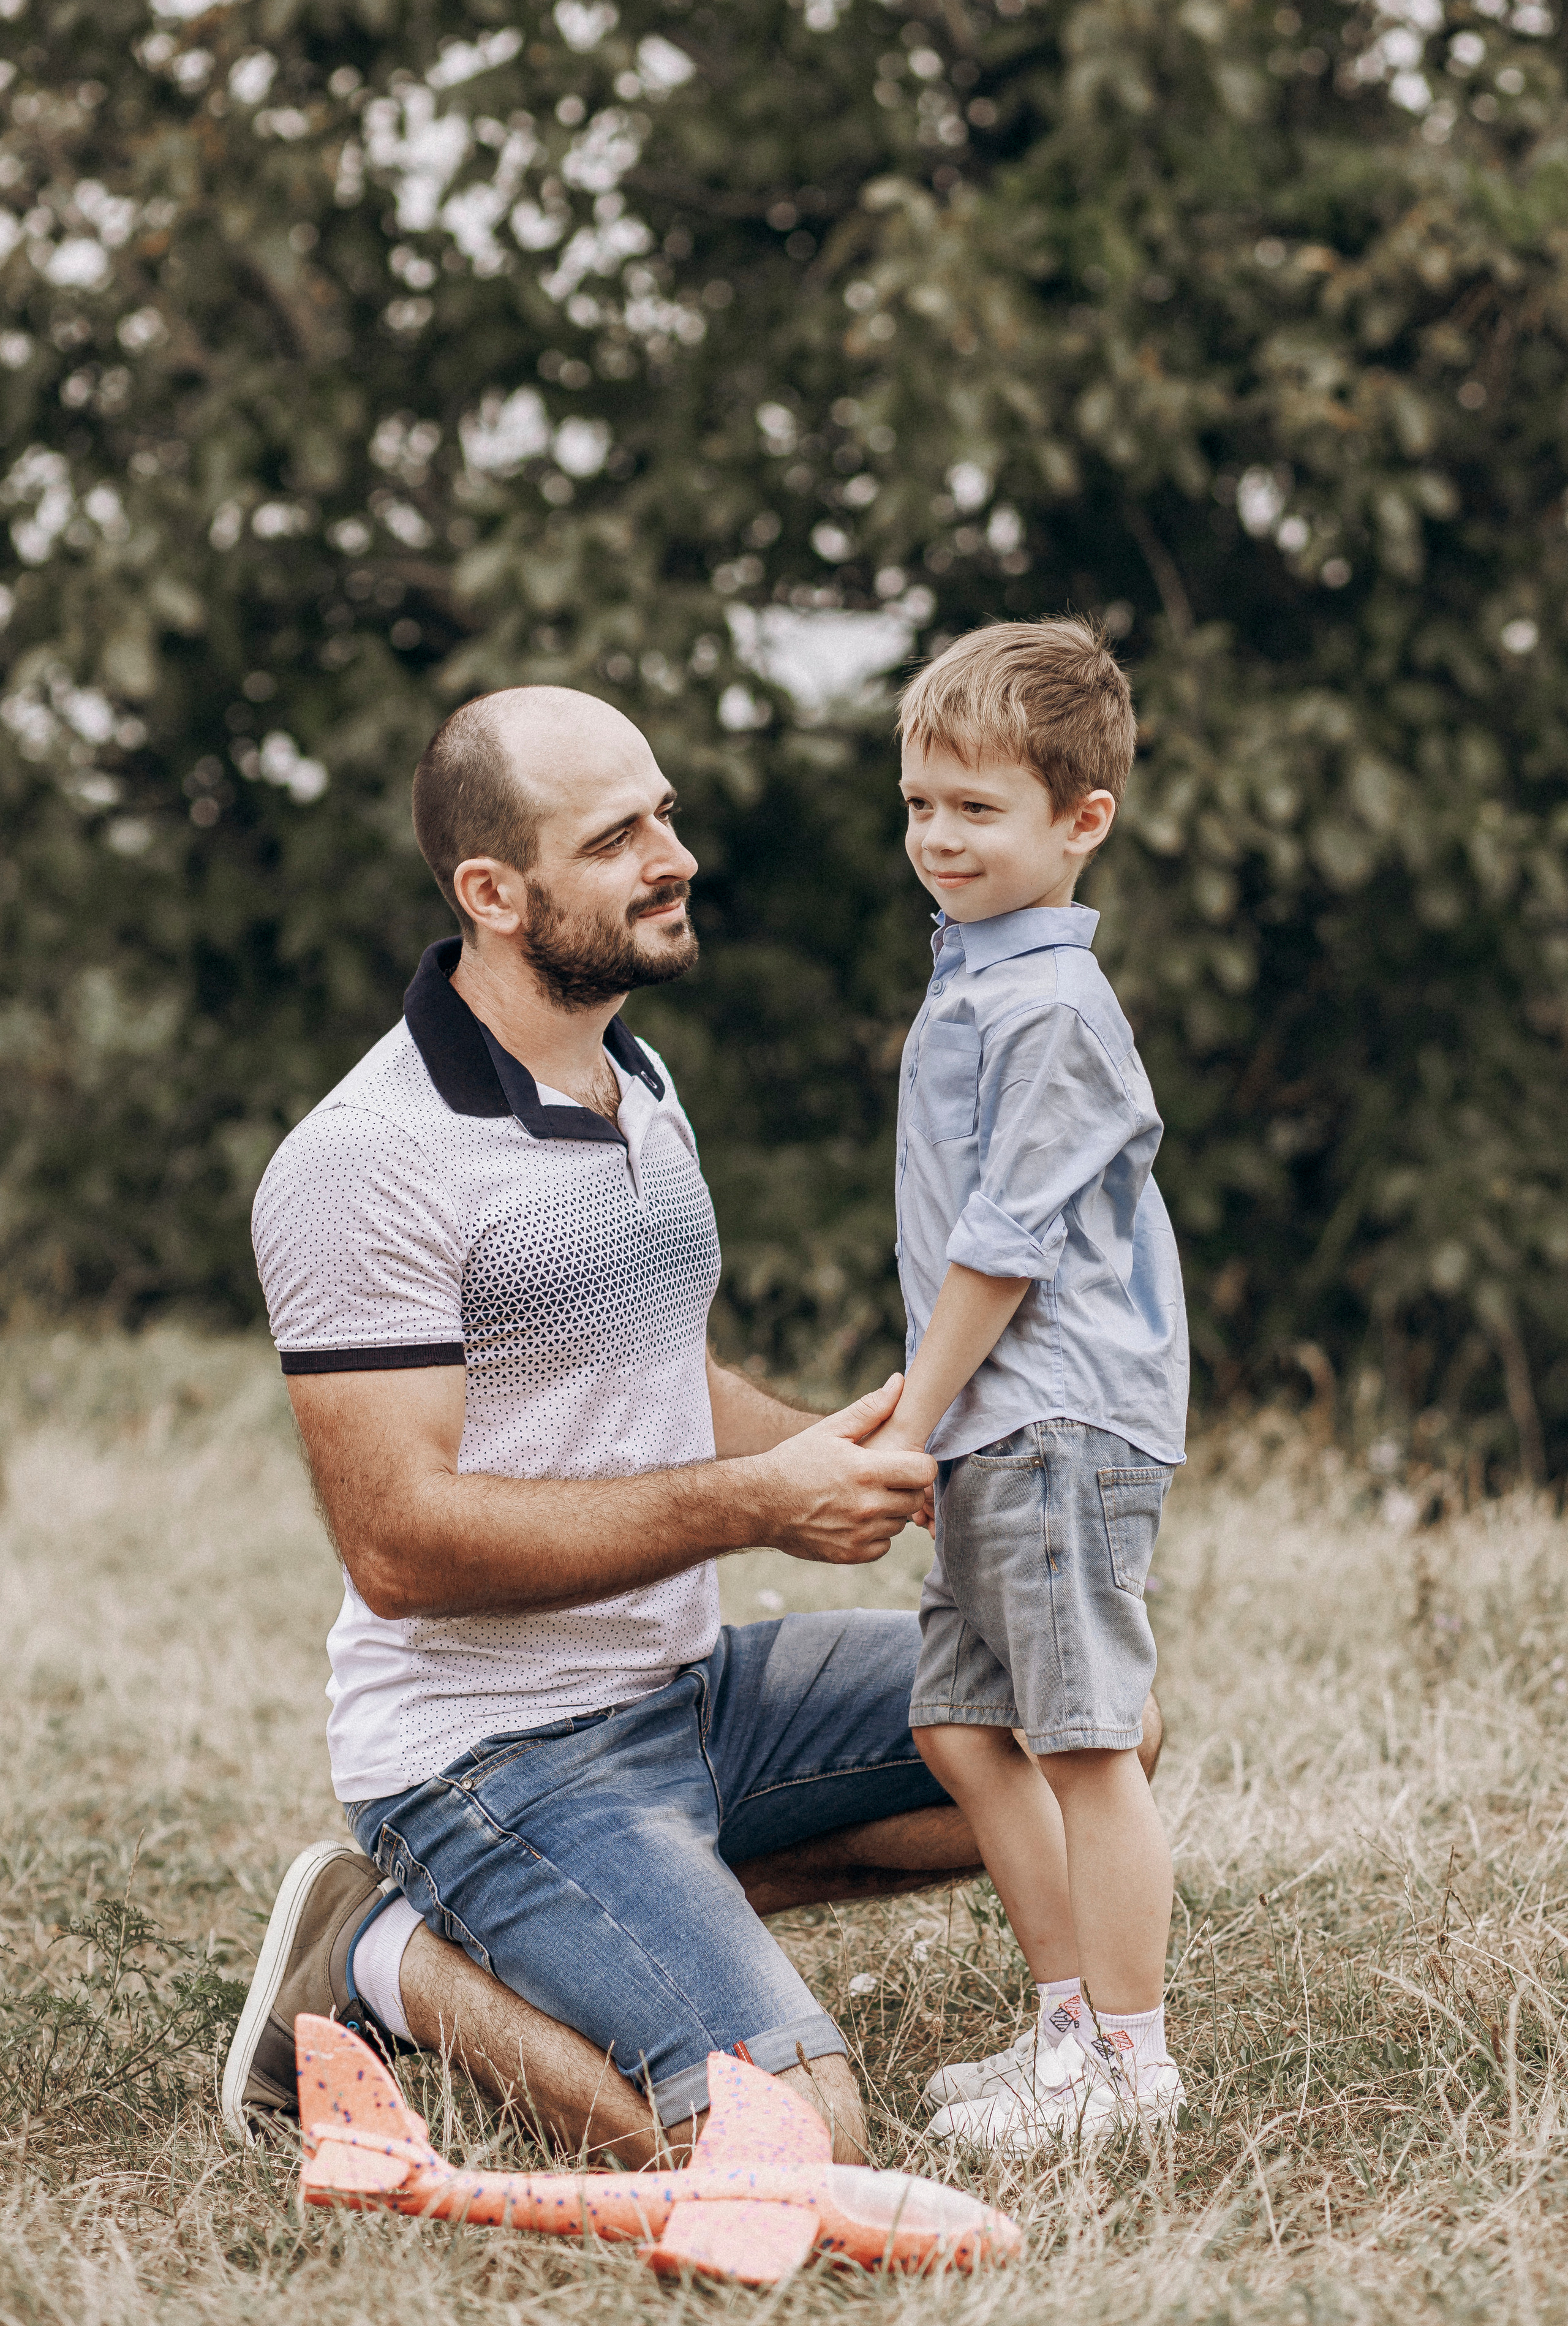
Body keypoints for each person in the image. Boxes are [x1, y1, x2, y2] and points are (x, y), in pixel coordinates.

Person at [225, 679, 1163, 2164]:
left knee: (1076, 1726)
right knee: (789, 2143)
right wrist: (759, 1505)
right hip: (495, 1753)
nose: (674, 856)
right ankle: (382, 1959)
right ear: (494, 891)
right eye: (616, 838)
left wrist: (844, 1447)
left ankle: (609, 1917)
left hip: (695, 1694)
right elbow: (399, 1546)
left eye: (664, 814)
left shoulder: (632, 1082)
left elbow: (659, 1375)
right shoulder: (366, 1160)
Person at [861, 619, 1189, 2154]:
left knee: (1082, 1741)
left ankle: (1131, 2058)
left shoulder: (1049, 1006)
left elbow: (1003, 1245)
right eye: (920, 801)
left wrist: (912, 1423)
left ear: (1080, 821)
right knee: (958, 1729)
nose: (936, 835)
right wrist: (916, 1405)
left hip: (1052, 1415)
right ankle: (1065, 2025)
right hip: (993, 1413)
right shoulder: (974, 979)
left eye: (974, 809)